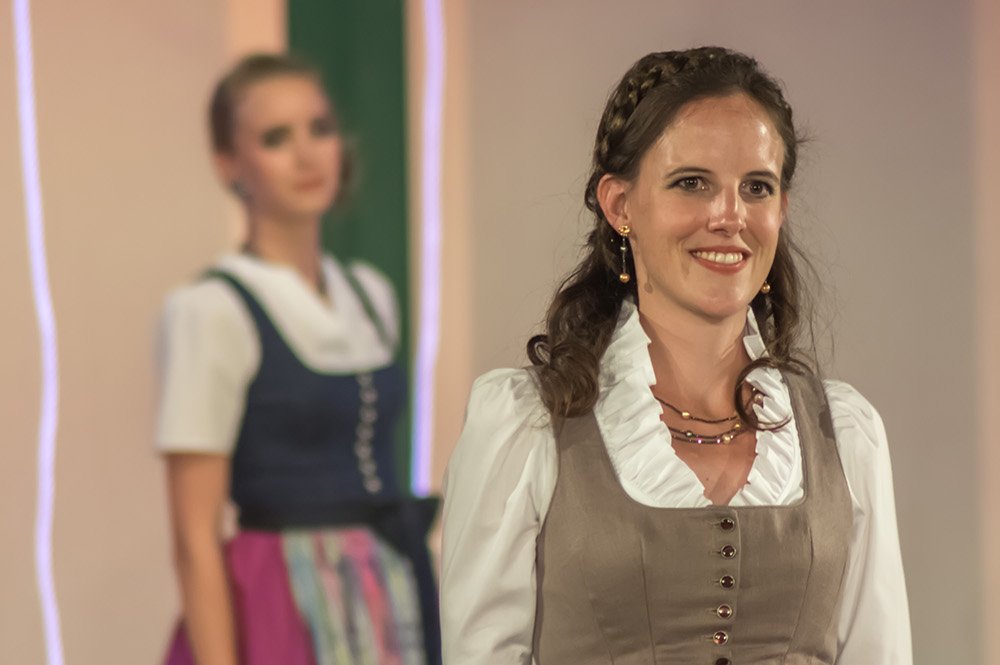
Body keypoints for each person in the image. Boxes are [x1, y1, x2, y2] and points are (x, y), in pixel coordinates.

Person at [440, 46, 911, 664]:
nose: (729, 216)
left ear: (780, 210)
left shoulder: (844, 434)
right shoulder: (525, 425)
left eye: (757, 188)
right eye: (692, 183)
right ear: (620, 205)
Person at [156, 53, 439, 665]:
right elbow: (194, 537)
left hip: (388, 586)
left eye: (320, 128)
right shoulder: (211, 309)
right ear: (229, 163)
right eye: (276, 138)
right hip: (280, 597)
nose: (308, 155)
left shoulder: (370, 294)